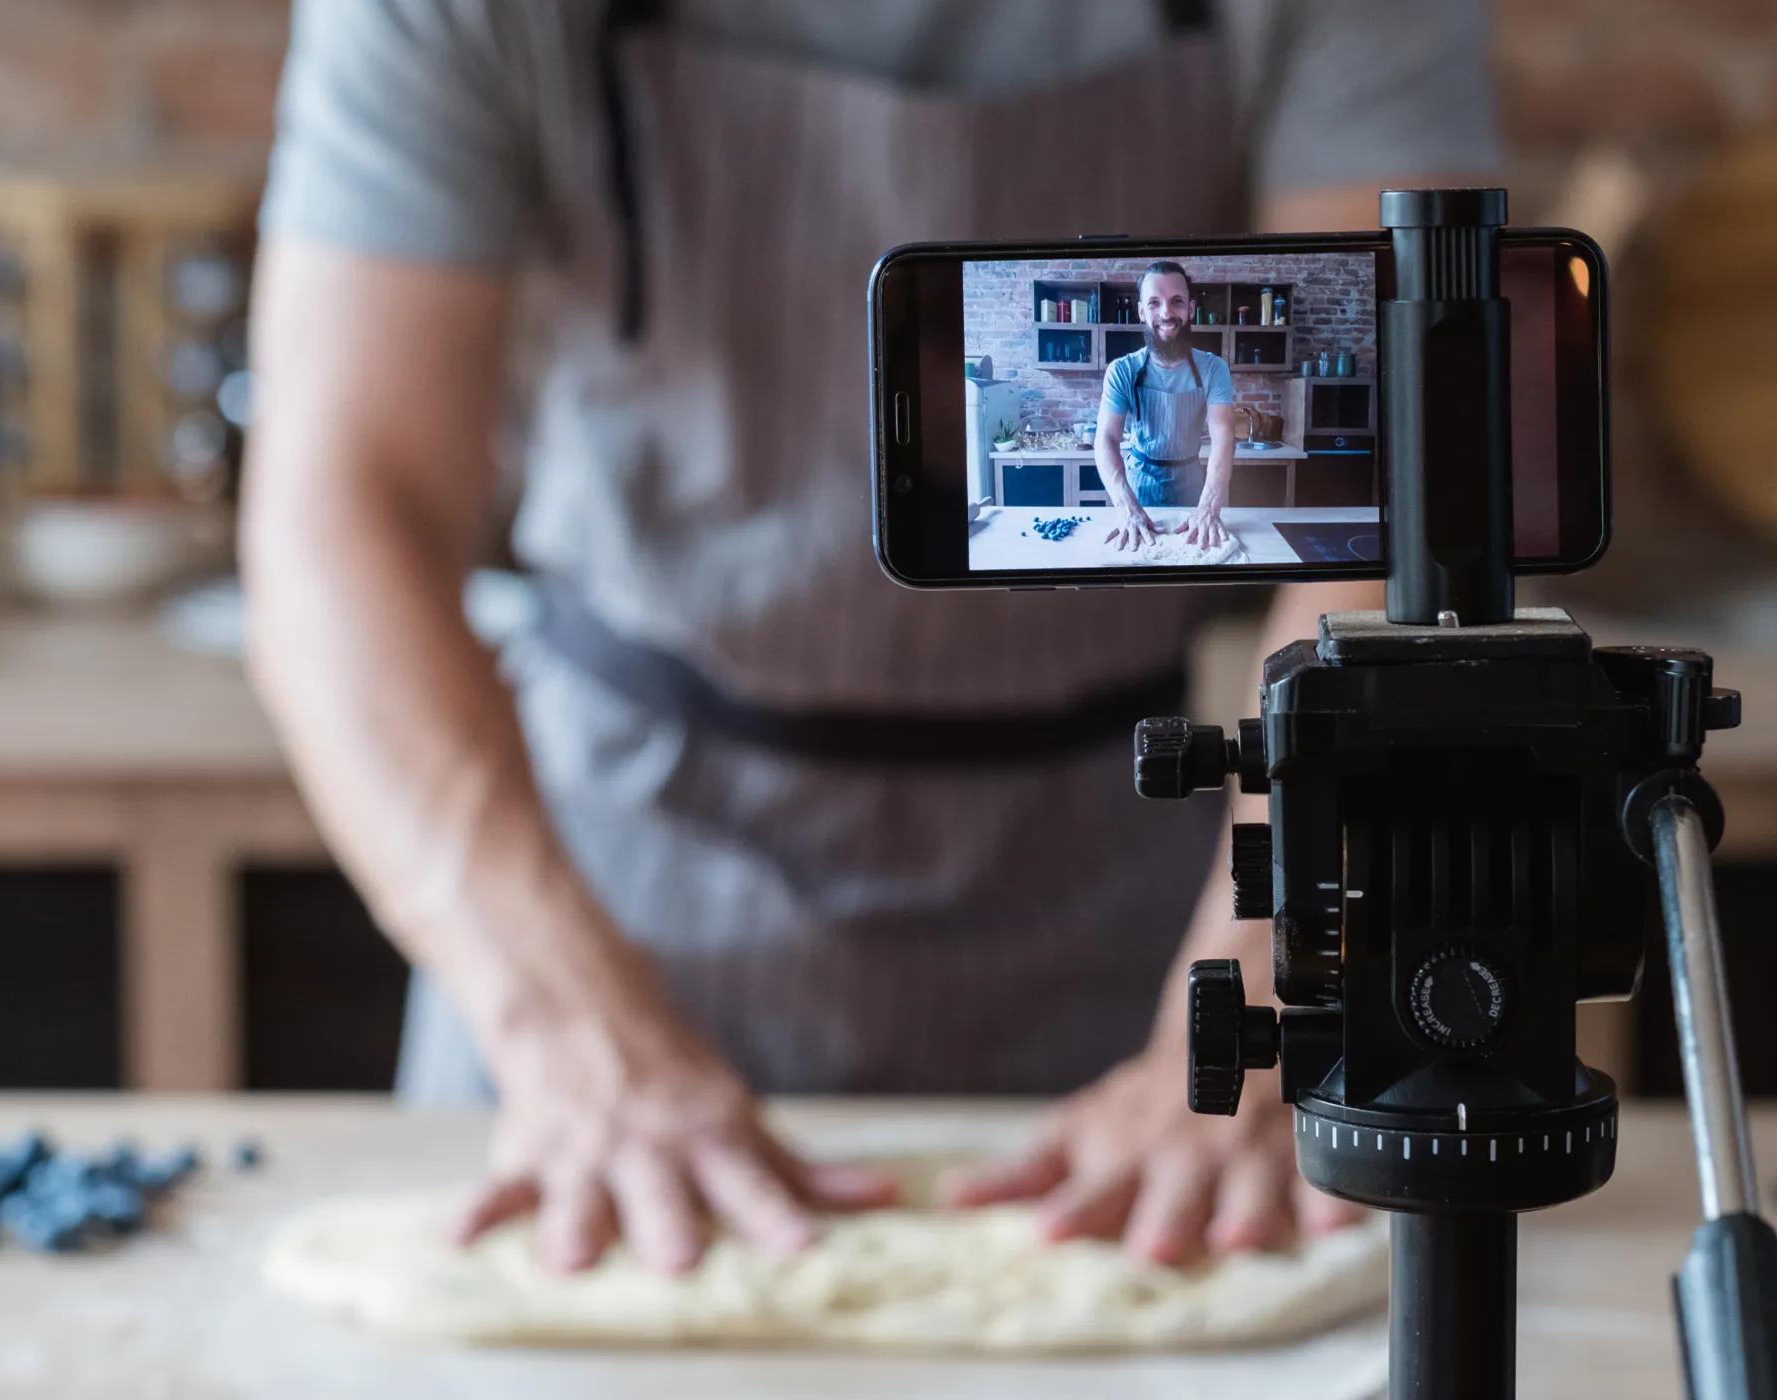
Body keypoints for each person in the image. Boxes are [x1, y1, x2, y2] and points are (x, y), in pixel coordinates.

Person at [244, 0, 1500, 1277]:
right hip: (603, 899)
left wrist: (1260, 998)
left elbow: (1405, 486)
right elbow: (340, 510)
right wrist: (566, 1025)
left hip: (1135, 915)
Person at [1097, 261, 1237, 552]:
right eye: (1154, 303)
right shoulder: (1122, 370)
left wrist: (1209, 507)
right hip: (1138, 491)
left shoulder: (1213, 369)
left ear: (1190, 308)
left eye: (1176, 302)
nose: (1166, 313)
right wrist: (1126, 507)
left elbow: (1224, 439)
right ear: (1141, 312)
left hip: (1194, 491)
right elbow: (1106, 439)